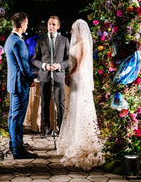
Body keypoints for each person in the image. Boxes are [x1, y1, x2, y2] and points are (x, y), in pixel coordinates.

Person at [56, 19, 104, 170]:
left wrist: (70, 75)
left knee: (81, 107)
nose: (71, 32)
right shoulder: (76, 42)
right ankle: (74, 139)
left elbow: (81, 64)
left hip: (79, 78)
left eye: (72, 29)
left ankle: (83, 141)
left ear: (78, 29)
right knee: (74, 107)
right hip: (74, 77)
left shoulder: (83, 43)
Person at [4, 12, 37, 160]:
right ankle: (18, 150)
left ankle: (14, 144)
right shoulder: (18, 42)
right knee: (17, 119)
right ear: (22, 25)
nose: (27, 26)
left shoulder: (9, 39)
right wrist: (31, 79)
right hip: (19, 85)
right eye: (27, 24)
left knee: (13, 116)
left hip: (13, 83)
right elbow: (24, 66)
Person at [32, 16, 70, 136]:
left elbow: (69, 60)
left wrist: (59, 66)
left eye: (54, 24)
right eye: (49, 24)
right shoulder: (41, 40)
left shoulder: (64, 40)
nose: (51, 27)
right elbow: (34, 60)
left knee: (60, 103)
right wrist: (44, 65)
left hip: (58, 76)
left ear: (58, 26)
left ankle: (61, 128)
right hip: (45, 76)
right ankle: (46, 128)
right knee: (45, 103)